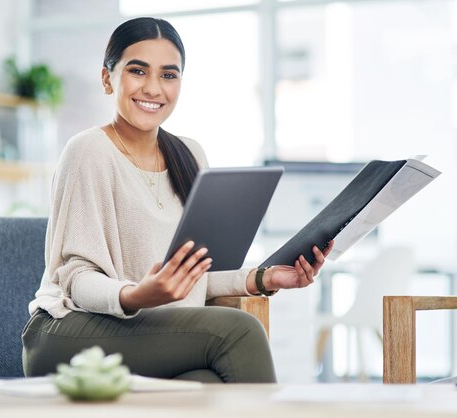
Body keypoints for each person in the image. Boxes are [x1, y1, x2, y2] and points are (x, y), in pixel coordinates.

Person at [21, 16, 333, 383]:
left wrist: (263, 278)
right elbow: (76, 279)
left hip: (144, 330)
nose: (154, 88)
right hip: (68, 331)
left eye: (169, 75)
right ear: (108, 78)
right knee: (238, 329)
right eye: (138, 71)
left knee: (207, 384)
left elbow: (193, 276)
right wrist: (137, 294)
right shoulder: (88, 151)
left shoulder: (190, 155)